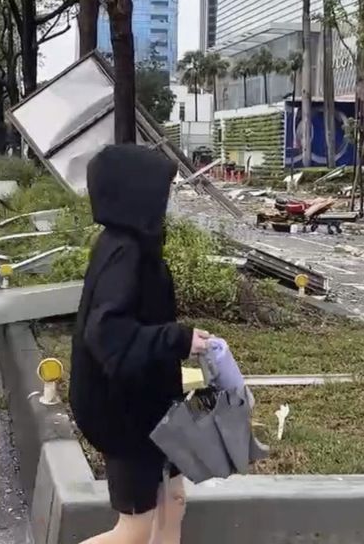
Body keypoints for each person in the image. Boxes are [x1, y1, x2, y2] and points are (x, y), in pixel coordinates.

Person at [70, 144, 210, 544]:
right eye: (161, 191)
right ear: (138, 195)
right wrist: (179, 339)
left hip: (153, 401)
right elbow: (107, 333)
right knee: (134, 529)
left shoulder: (130, 244)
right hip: (124, 410)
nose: (166, 200)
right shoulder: (125, 252)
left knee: (174, 501)